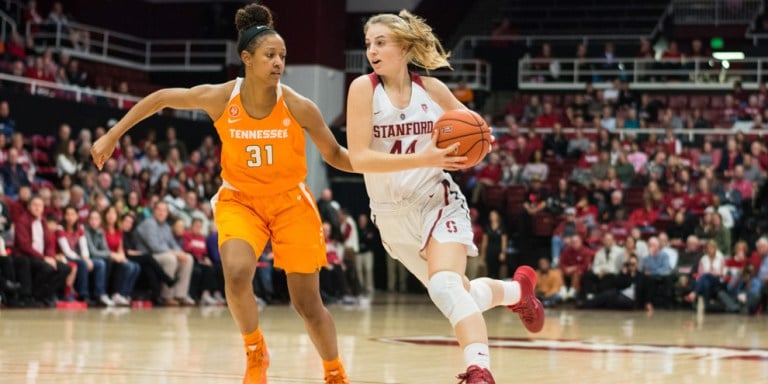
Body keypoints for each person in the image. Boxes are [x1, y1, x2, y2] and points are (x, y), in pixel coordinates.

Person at [90, 4, 353, 383]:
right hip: (240, 200)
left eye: (282, 56)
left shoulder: (298, 105)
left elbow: (337, 155)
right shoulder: (220, 98)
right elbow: (161, 97)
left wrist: (383, 165)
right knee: (236, 272)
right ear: (246, 58)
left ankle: (334, 371)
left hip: (290, 202)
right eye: (269, 55)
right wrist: (111, 135)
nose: (278, 62)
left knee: (307, 304)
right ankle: (255, 351)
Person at [345, 10, 543, 382]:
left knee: (445, 285)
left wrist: (479, 142)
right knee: (459, 292)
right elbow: (359, 158)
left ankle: (479, 370)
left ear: (404, 47)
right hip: (390, 215)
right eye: (368, 43)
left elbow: (478, 133)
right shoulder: (363, 90)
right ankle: (518, 290)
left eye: (381, 42)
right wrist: (428, 155)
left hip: (437, 201)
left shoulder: (431, 90)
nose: (372, 50)